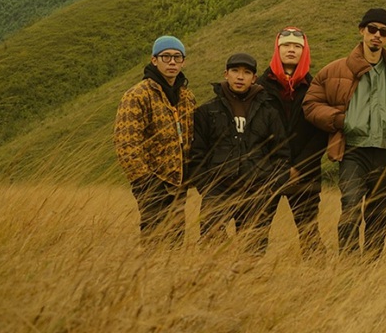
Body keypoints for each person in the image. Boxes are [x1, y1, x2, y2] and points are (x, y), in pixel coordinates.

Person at [303, 8, 386, 260]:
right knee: (351, 206)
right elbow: (310, 104)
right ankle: (349, 263)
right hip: (353, 151)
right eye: (372, 29)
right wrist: (340, 120)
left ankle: (370, 267)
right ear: (361, 31)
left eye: (383, 32)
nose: (377, 35)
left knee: (379, 214)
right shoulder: (336, 70)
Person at [190, 53, 290, 254]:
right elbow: (197, 154)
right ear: (226, 74)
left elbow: (281, 153)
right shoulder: (207, 111)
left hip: (257, 190)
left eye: (246, 72)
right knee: (210, 247)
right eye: (235, 71)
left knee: (253, 251)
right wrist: (206, 187)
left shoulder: (268, 112)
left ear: (254, 78)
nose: (240, 77)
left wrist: (271, 188)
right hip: (218, 189)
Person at [114, 35, 196, 247]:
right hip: (152, 183)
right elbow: (126, 144)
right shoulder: (137, 96)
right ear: (154, 60)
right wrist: (145, 181)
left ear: (183, 61)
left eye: (177, 57)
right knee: (155, 241)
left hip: (179, 182)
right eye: (166, 56)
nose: (172, 62)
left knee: (176, 242)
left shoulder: (186, 97)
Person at [258, 27, 329, 259]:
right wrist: (277, 167)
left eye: (297, 46)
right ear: (277, 49)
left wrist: (299, 166)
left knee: (309, 233)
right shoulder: (259, 87)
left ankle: (317, 278)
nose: (291, 50)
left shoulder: (316, 88)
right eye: (286, 45)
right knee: (256, 232)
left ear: (304, 51)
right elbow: (255, 132)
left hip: (305, 174)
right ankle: (248, 276)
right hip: (266, 173)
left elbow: (321, 133)